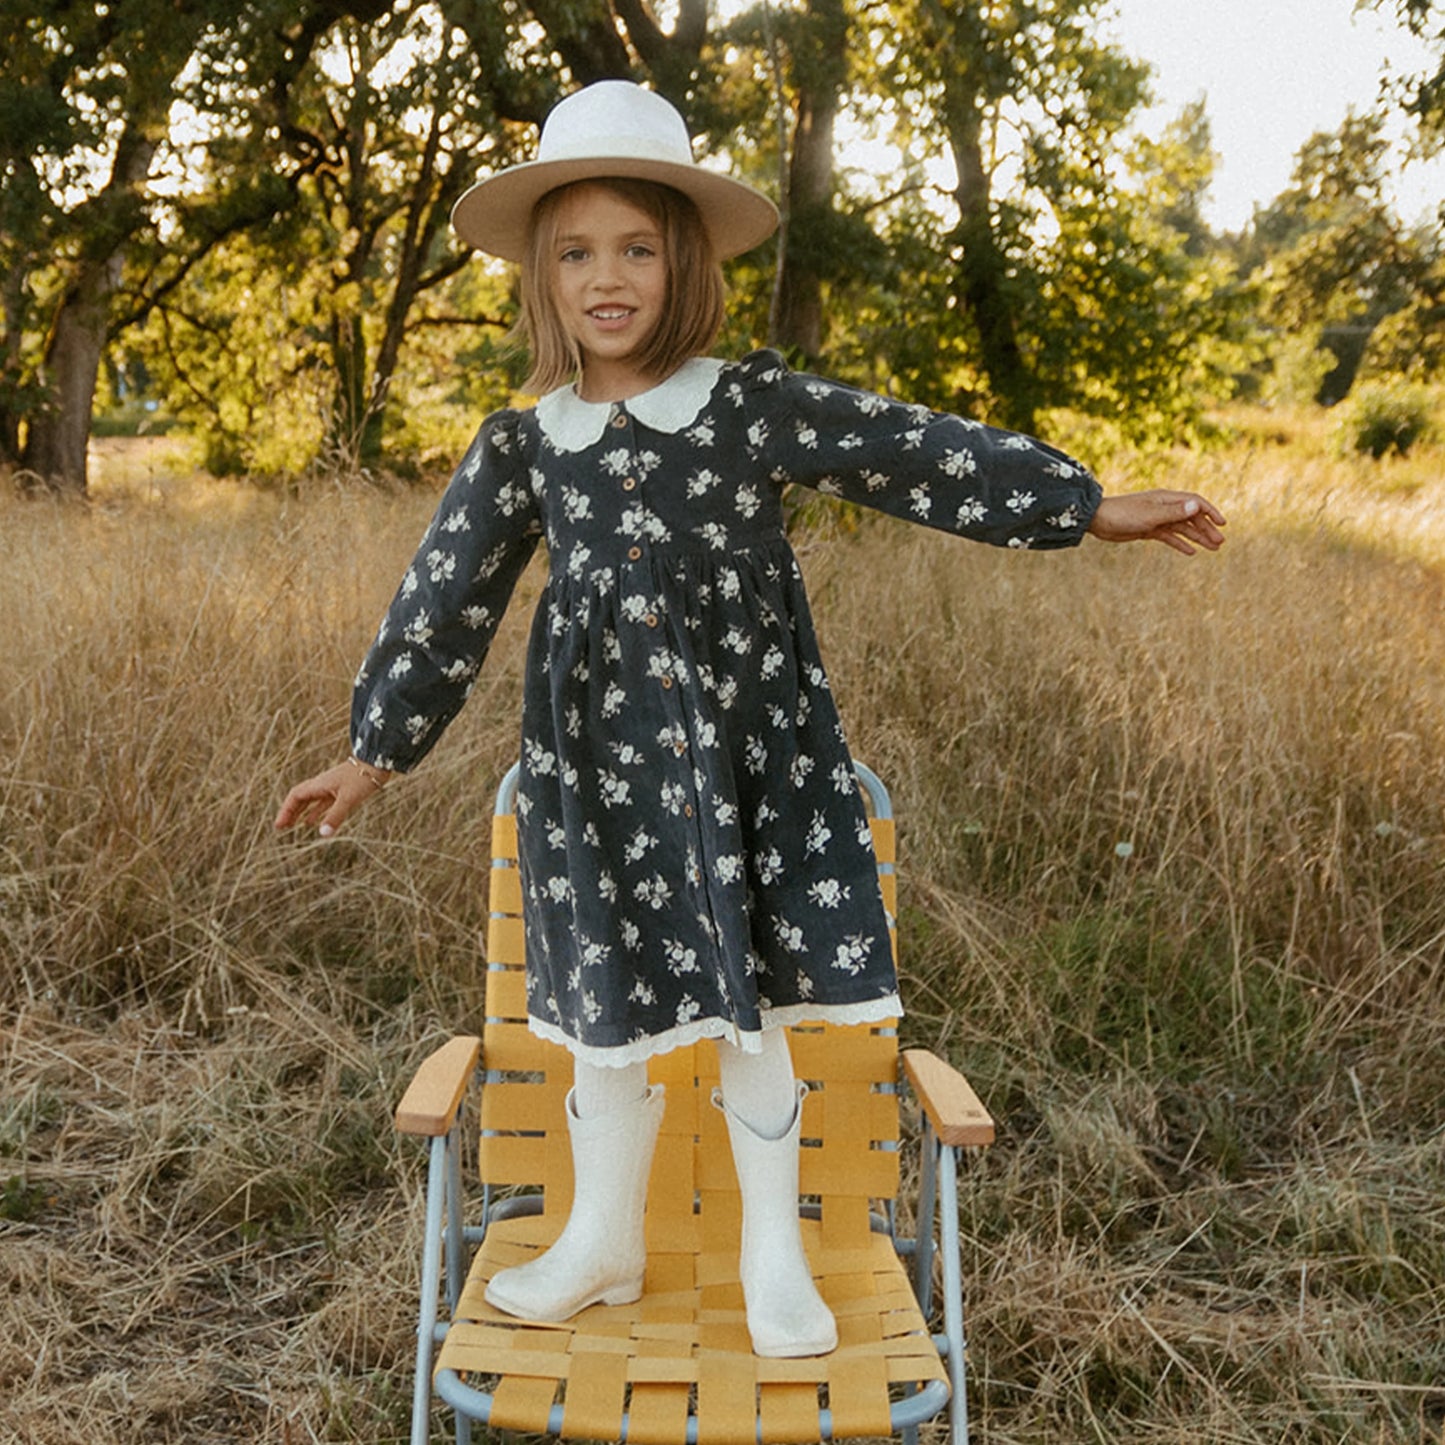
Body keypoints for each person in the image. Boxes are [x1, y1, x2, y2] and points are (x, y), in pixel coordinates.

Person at [275, 80, 1226, 1358]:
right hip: (593, 775)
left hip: (746, 765)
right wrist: (370, 753)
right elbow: (443, 600)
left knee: (752, 1006)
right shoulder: (525, 447)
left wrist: (1081, 503)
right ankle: (601, 1239)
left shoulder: (745, 406)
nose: (605, 278)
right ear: (541, 278)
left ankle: (774, 1250)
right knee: (596, 1007)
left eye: (635, 248)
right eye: (574, 252)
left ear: (683, 262)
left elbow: (910, 449)